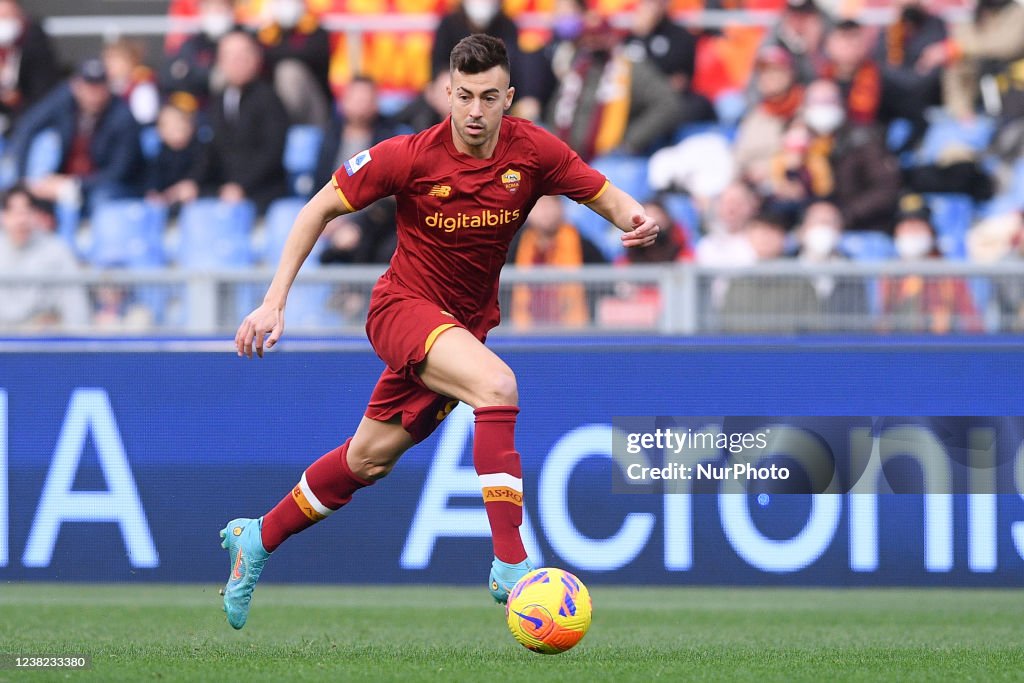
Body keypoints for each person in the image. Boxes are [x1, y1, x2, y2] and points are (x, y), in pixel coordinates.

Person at [221, 34, 659, 630]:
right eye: (463, 96)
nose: (475, 111)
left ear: (509, 97)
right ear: (446, 94)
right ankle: (511, 562)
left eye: (488, 97)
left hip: (464, 328)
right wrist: (274, 302)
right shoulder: (407, 155)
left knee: (367, 461)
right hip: (403, 308)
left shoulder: (533, 150)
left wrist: (637, 219)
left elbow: (603, 195)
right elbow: (316, 208)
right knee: (497, 386)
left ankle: (258, 537)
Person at [9, 58, 144, 211]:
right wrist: (23, 180)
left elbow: (119, 171)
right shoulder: (64, 100)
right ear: (76, 86)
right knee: (15, 180)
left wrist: (73, 185)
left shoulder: (122, 117)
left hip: (102, 186)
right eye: (88, 87)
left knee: (102, 200)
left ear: (108, 88)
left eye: (99, 87)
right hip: (61, 178)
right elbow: (28, 127)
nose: (93, 94)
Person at [184, 29, 289, 211]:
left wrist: (242, 186)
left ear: (257, 58)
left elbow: (272, 152)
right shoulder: (219, 100)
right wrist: (193, 181)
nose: (236, 61)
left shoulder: (269, 99)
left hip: (263, 192)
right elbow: (212, 151)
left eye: (243, 54)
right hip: (225, 189)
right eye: (230, 56)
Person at [880, 194, 982, 333]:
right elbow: (882, 323)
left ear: (931, 232)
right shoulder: (890, 275)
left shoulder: (948, 274)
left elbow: (971, 320)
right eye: (907, 227)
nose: (912, 233)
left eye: (918, 227)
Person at [507, 194, 604, 330]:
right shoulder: (514, 245)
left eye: (550, 205)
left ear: (561, 208)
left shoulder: (582, 245)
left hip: (572, 331)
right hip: (525, 330)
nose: (545, 212)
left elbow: (603, 284)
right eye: (539, 206)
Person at [0, 185, 89, 330]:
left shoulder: (56, 251)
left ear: (35, 215)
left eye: (27, 212)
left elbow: (75, 305)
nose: (21, 220)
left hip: (42, 342)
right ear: (3, 216)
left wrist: (80, 344)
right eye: (14, 213)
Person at [255, 0, 331, 127]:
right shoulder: (265, 34)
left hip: (312, 108)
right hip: (272, 102)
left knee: (288, 71)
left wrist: (271, 47)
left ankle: (281, 124)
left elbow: (308, 55)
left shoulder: (316, 32)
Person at [0, 0, 60, 137]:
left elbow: (44, 96)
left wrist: (16, 100)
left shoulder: (35, 44)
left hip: (29, 121)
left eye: (6, 16)